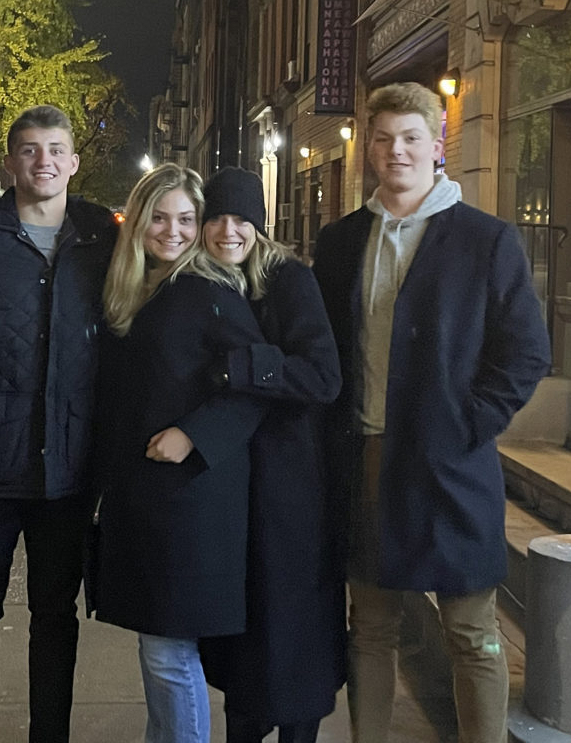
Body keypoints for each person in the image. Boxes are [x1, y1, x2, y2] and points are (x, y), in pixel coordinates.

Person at [312, 81, 551, 743]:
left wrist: (467, 425)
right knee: (372, 626)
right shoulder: (339, 244)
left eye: (411, 138)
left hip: (449, 460)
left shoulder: (486, 241)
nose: (396, 151)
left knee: (471, 631)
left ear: (437, 143)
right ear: (369, 146)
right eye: (383, 138)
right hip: (365, 456)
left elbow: (527, 353)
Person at [0, 104, 119, 743]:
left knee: (56, 617)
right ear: (10, 160)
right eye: (29, 149)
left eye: (55, 149)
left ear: (74, 161)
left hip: (68, 472)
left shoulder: (104, 241)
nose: (42, 161)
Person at [91, 163, 267, 743]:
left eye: (186, 219)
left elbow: (259, 385)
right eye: (159, 218)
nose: (172, 231)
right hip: (150, 498)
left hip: (191, 500)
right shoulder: (143, 288)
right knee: (158, 647)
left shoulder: (208, 290)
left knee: (169, 651)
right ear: (138, 222)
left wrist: (194, 434)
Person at [195, 167, 344, 743]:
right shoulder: (205, 282)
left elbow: (324, 376)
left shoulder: (288, 280)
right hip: (234, 478)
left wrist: (245, 368)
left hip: (290, 480)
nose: (229, 231)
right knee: (246, 619)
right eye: (217, 219)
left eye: (242, 220)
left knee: (290, 614)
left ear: (261, 225)